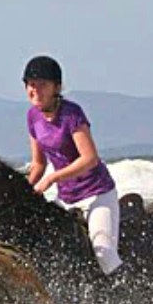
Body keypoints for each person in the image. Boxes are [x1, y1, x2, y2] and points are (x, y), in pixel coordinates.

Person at [23, 55, 122, 276]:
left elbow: (89, 159)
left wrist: (52, 178)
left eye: (42, 85)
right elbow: (39, 164)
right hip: (66, 200)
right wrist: (23, 191)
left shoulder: (72, 114)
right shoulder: (32, 117)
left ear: (56, 87)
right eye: (31, 85)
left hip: (96, 195)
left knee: (103, 253)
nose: (35, 90)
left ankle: (127, 299)